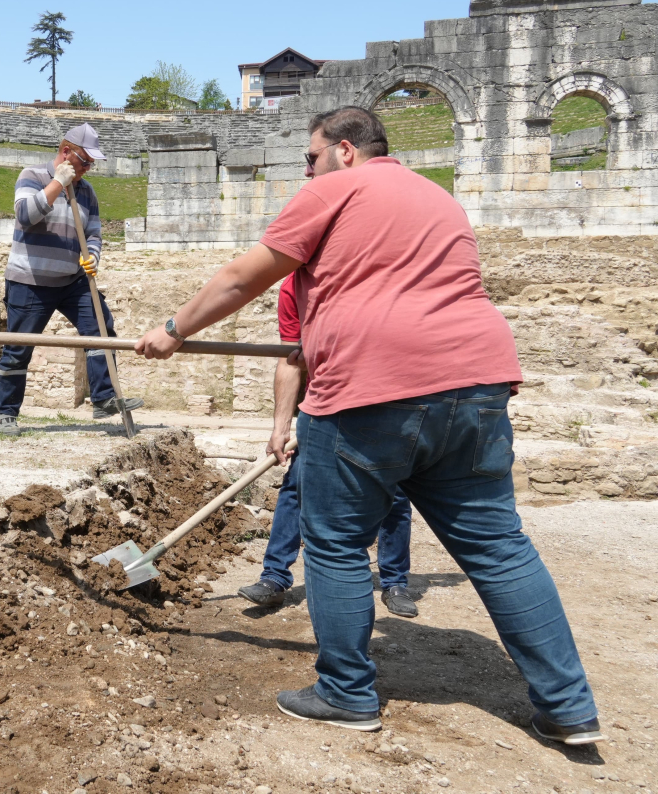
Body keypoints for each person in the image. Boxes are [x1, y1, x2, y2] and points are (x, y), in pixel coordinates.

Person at [135, 106, 600, 744]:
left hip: (371, 386)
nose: (306, 168)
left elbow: (245, 276)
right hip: (479, 381)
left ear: (345, 150)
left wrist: (172, 330)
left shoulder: (333, 187)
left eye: (310, 155)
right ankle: (569, 707)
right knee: (499, 549)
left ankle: (347, 693)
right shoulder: (440, 200)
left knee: (334, 543)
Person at [238, 275, 417, 619]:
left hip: (386, 399)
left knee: (393, 495)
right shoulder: (293, 286)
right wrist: (281, 428)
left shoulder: (374, 276)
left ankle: (394, 581)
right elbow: (290, 360)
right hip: (323, 403)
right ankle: (274, 578)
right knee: (295, 487)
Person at [0, 122, 142, 436]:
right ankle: (7, 414)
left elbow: (94, 234)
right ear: (65, 152)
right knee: (18, 347)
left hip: (74, 282)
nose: (88, 168)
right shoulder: (32, 176)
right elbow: (25, 216)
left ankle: (104, 398)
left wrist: (92, 257)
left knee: (100, 328)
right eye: (84, 161)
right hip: (30, 280)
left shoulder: (87, 192)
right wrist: (57, 185)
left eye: (91, 164)